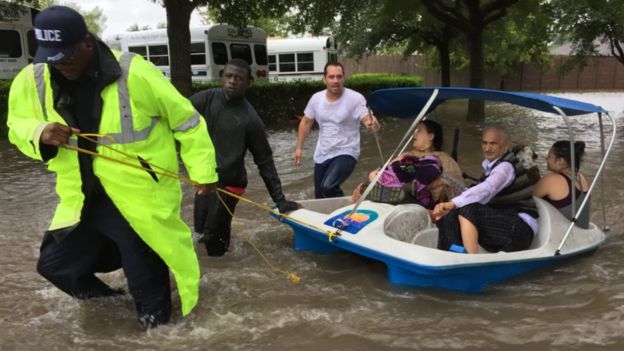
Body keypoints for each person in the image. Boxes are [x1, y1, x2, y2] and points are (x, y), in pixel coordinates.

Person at [6, 6, 218, 329]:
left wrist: (204, 173)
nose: (60, 66)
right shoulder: (34, 78)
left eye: (67, 56)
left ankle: (156, 324)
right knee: (54, 265)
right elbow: (16, 126)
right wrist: (40, 133)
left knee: (153, 314)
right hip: (82, 199)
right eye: (52, 58)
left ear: (87, 43)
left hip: (138, 202)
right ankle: (113, 304)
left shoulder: (134, 73)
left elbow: (187, 122)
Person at [190, 59, 300, 257]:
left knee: (213, 238)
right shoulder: (205, 99)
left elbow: (265, 161)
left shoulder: (251, 120)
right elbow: (177, 115)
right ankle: (213, 263)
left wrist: (280, 199)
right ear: (222, 75)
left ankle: (220, 267)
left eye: (239, 78)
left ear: (248, 82)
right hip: (206, 179)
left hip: (230, 184)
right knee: (199, 231)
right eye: (229, 76)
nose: (232, 81)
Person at [433, 126, 539, 254]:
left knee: (468, 209)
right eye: (484, 143)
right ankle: (455, 252)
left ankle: (470, 261)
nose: (487, 148)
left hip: (520, 231)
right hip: (502, 224)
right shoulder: (492, 166)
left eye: (493, 143)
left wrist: (453, 203)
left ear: (506, 144)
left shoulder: (505, 167)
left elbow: (487, 188)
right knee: (451, 215)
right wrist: (449, 208)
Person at [294, 62, 380, 199]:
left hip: (346, 151)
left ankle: (348, 206)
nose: (336, 81)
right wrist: (299, 148)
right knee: (320, 196)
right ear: (324, 79)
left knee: (328, 186)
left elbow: (368, 119)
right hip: (322, 153)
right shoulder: (316, 99)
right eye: (332, 77)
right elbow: (306, 122)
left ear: (343, 78)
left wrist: (373, 124)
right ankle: (327, 217)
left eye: (339, 77)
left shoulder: (355, 98)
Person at [352, 120, 464, 207]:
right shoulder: (406, 154)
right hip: (394, 190)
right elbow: (385, 171)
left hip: (423, 200)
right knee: (362, 187)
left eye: (419, 130)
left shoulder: (444, 158)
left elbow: (452, 186)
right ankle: (351, 220)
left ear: (431, 136)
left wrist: (420, 185)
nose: (414, 135)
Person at [533, 140, 590, 228]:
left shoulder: (551, 179)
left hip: (562, 237)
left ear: (560, 161)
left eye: (549, 156)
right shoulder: (581, 177)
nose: (546, 159)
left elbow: (527, 197)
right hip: (582, 233)